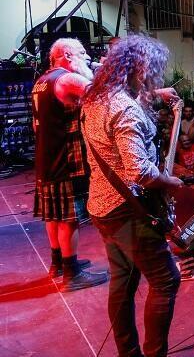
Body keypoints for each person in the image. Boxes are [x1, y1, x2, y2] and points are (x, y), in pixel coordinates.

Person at [81, 35, 184, 357]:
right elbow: (139, 171)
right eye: (151, 70)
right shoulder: (125, 109)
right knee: (165, 280)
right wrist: (171, 182)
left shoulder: (96, 96)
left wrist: (154, 94)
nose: (154, 75)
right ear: (139, 69)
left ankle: (128, 352)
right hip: (128, 212)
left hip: (102, 207)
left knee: (123, 281)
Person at [31, 38, 107, 290]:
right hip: (65, 160)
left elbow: (35, 124)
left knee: (53, 216)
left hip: (46, 157)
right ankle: (72, 275)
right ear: (66, 54)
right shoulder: (68, 79)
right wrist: (108, 72)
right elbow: (104, 98)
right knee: (68, 219)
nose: (87, 57)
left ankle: (59, 264)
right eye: (82, 53)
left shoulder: (42, 81)